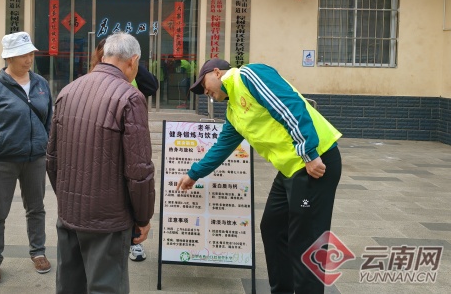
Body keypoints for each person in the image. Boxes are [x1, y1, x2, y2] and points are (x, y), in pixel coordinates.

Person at [177, 59, 342, 294]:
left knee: (305, 240)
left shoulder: (248, 75)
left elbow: (288, 105)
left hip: (315, 161)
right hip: (291, 169)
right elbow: (222, 147)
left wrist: (309, 152)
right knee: (272, 228)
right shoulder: (234, 112)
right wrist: (194, 174)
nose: (205, 92)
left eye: (204, 85)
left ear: (217, 72)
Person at [47, 32, 155, 294]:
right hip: (109, 219)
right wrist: (143, 217)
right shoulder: (129, 97)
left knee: (70, 286)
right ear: (133, 61)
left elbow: (52, 159)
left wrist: (67, 199)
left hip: (69, 213)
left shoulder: (68, 91)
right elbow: (139, 171)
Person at [0, 32, 53, 286]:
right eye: (23, 55)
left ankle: (38, 252)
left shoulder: (41, 84)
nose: (29, 59)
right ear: (9, 57)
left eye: (30, 53)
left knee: (36, 208)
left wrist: (47, 148)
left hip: (35, 159)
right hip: (3, 161)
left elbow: (49, 121)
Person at [90, 37, 158, 262]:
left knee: (132, 186)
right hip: (105, 140)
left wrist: (133, 64)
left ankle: (134, 242)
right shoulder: (93, 77)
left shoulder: (131, 77)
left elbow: (152, 86)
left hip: (130, 133)